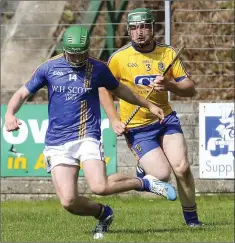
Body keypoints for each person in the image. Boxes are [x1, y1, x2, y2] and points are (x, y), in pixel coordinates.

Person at [4, 25, 177, 240]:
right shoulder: (48, 68)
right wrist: (10, 114)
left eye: (82, 54)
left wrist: (148, 105)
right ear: (64, 49)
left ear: (88, 49)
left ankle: (146, 183)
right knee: (69, 201)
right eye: (73, 54)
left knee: (100, 186)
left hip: (87, 136)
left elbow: (120, 90)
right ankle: (103, 213)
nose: (77, 59)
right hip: (57, 142)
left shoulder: (97, 69)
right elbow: (22, 93)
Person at [99, 8, 203, 227]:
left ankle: (192, 221)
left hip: (165, 119)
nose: (139, 32)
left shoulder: (167, 53)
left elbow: (190, 89)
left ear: (153, 29)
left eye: (144, 27)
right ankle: (143, 171)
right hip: (137, 128)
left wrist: (169, 84)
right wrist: (113, 119)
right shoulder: (118, 58)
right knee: (162, 175)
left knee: (182, 167)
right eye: (134, 28)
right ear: (128, 30)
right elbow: (103, 89)